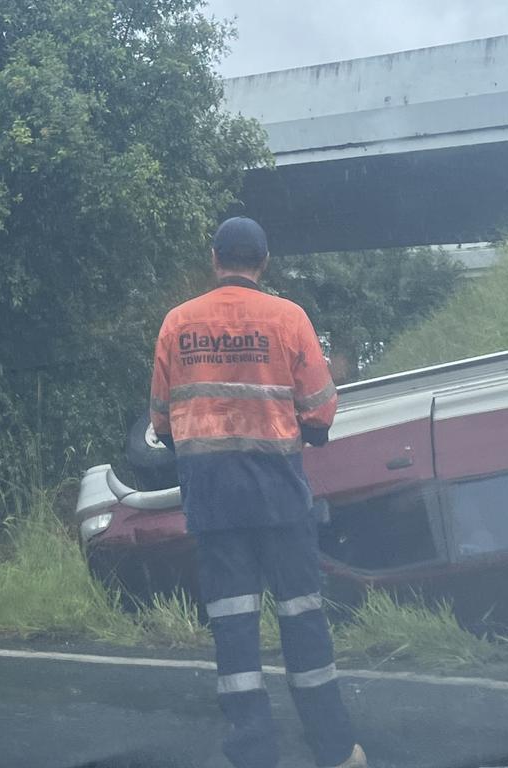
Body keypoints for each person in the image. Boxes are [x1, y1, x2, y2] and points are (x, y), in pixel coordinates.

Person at [149, 217, 366, 768]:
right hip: (277, 493)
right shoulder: (288, 317)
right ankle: (335, 752)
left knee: (233, 626)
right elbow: (319, 410)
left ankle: (252, 752)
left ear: (216, 257)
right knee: (303, 616)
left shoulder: (177, 323)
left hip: (212, 496)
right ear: (263, 263)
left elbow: (162, 421)